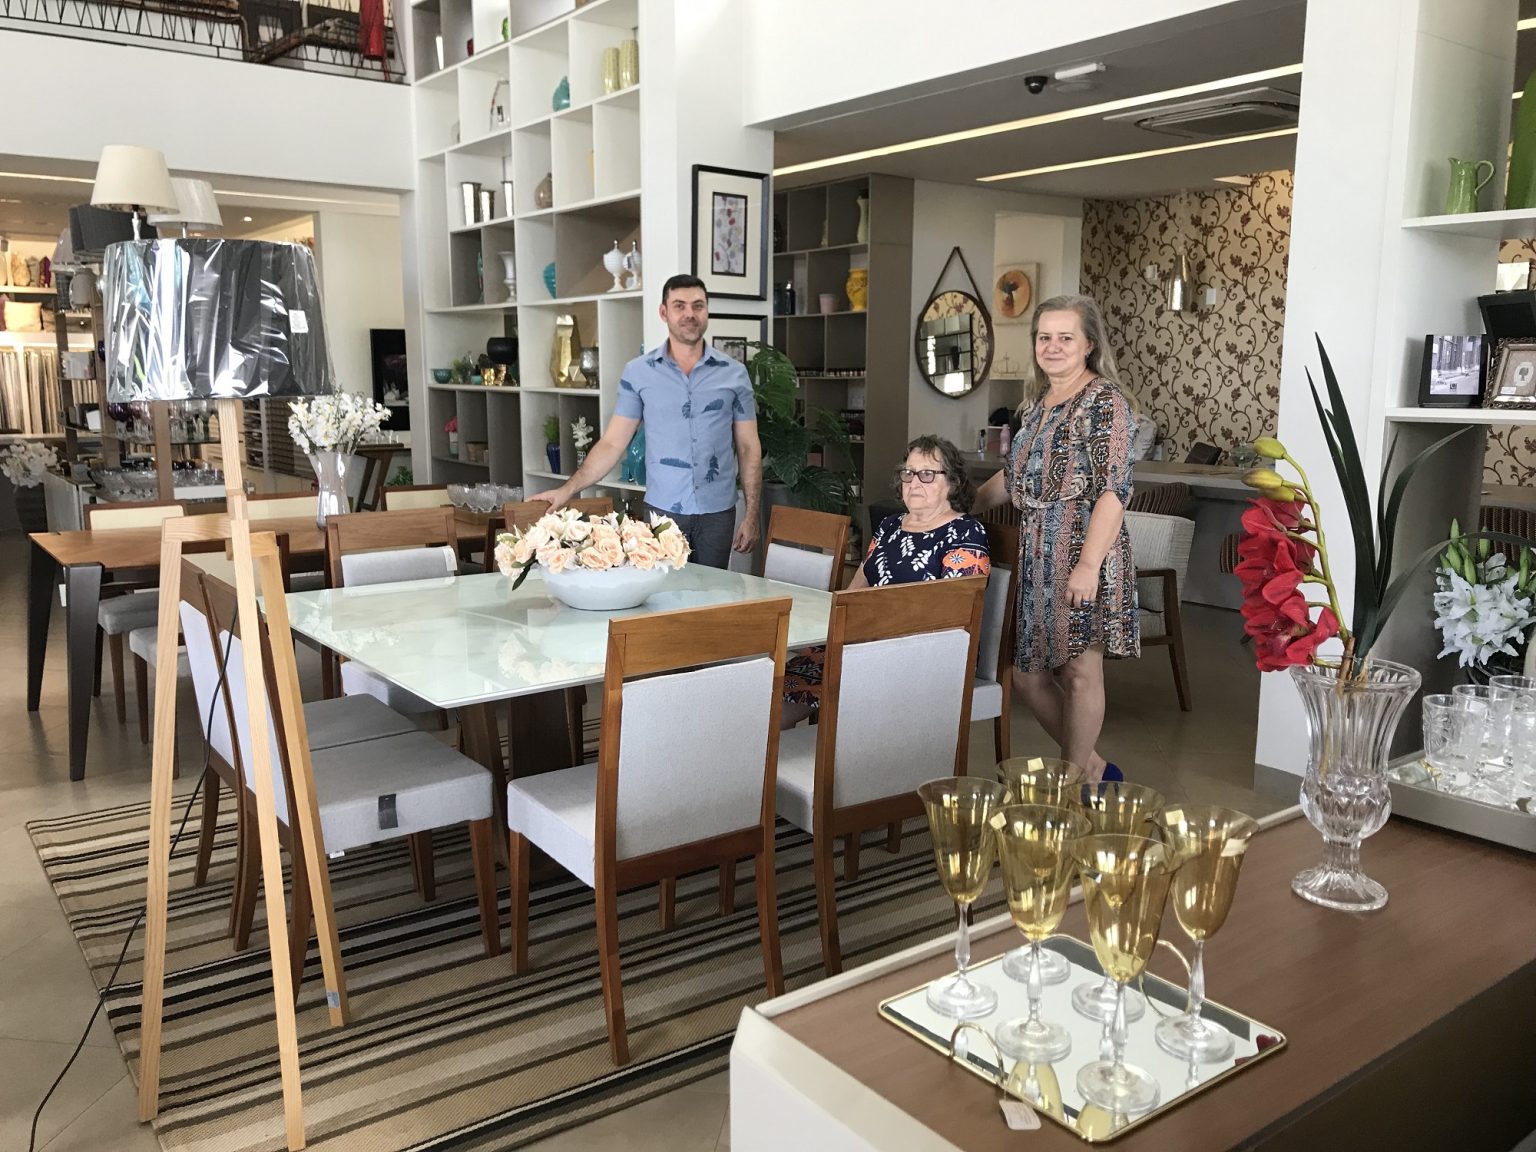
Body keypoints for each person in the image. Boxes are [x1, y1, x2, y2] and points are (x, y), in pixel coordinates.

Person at [974, 294, 1139, 784]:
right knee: (1027, 676)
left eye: (1066, 337)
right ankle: (1093, 770)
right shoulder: (1035, 406)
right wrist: (961, 507)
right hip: (1037, 558)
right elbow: (1011, 477)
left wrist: (1087, 566)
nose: (1053, 346)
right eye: (1044, 337)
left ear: (1089, 344)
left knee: (1079, 672)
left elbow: (1114, 491)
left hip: (1085, 551)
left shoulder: (1105, 402)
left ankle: (1071, 784)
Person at [528, 274, 761, 569]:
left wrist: (752, 515)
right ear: (664, 312)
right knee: (664, 594)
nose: (690, 314)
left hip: (718, 514)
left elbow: (748, 446)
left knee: (713, 594)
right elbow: (613, 443)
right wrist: (567, 490)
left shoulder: (734, 374)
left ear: (707, 311)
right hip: (663, 514)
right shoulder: (639, 373)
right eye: (679, 306)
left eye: (698, 306)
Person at [783, 435, 990, 722]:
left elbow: (955, 619)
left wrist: (875, 635)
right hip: (866, 641)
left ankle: (843, 746)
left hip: (926, 656)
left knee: (816, 680)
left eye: (927, 474)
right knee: (779, 683)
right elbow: (855, 592)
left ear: (953, 482)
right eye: (909, 473)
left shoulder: (965, 532)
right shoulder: (890, 526)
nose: (914, 482)